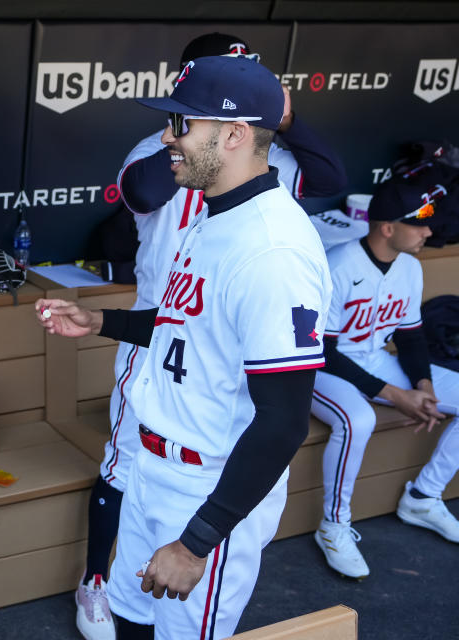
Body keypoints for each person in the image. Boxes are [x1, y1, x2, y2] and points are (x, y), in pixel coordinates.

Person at [38, 55, 331, 639]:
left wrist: (198, 541)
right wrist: (101, 322)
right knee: (129, 620)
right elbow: (186, 327)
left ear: (236, 134)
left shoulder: (274, 250)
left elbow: (283, 422)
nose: (168, 138)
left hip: (208, 490)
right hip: (154, 467)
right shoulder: (216, 214)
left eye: (183, 124)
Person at [311, 177, 459, 580]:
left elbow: (410, 337)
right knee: (358, 419)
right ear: (387, 228)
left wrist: (423, 387)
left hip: (374, 359)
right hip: (318, 368)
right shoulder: (338, 266)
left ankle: (423, 497)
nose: (429, 231)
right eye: (419, 223)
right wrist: (394, 394)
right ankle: (334, 525)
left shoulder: (409, 267)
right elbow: (321, 350)